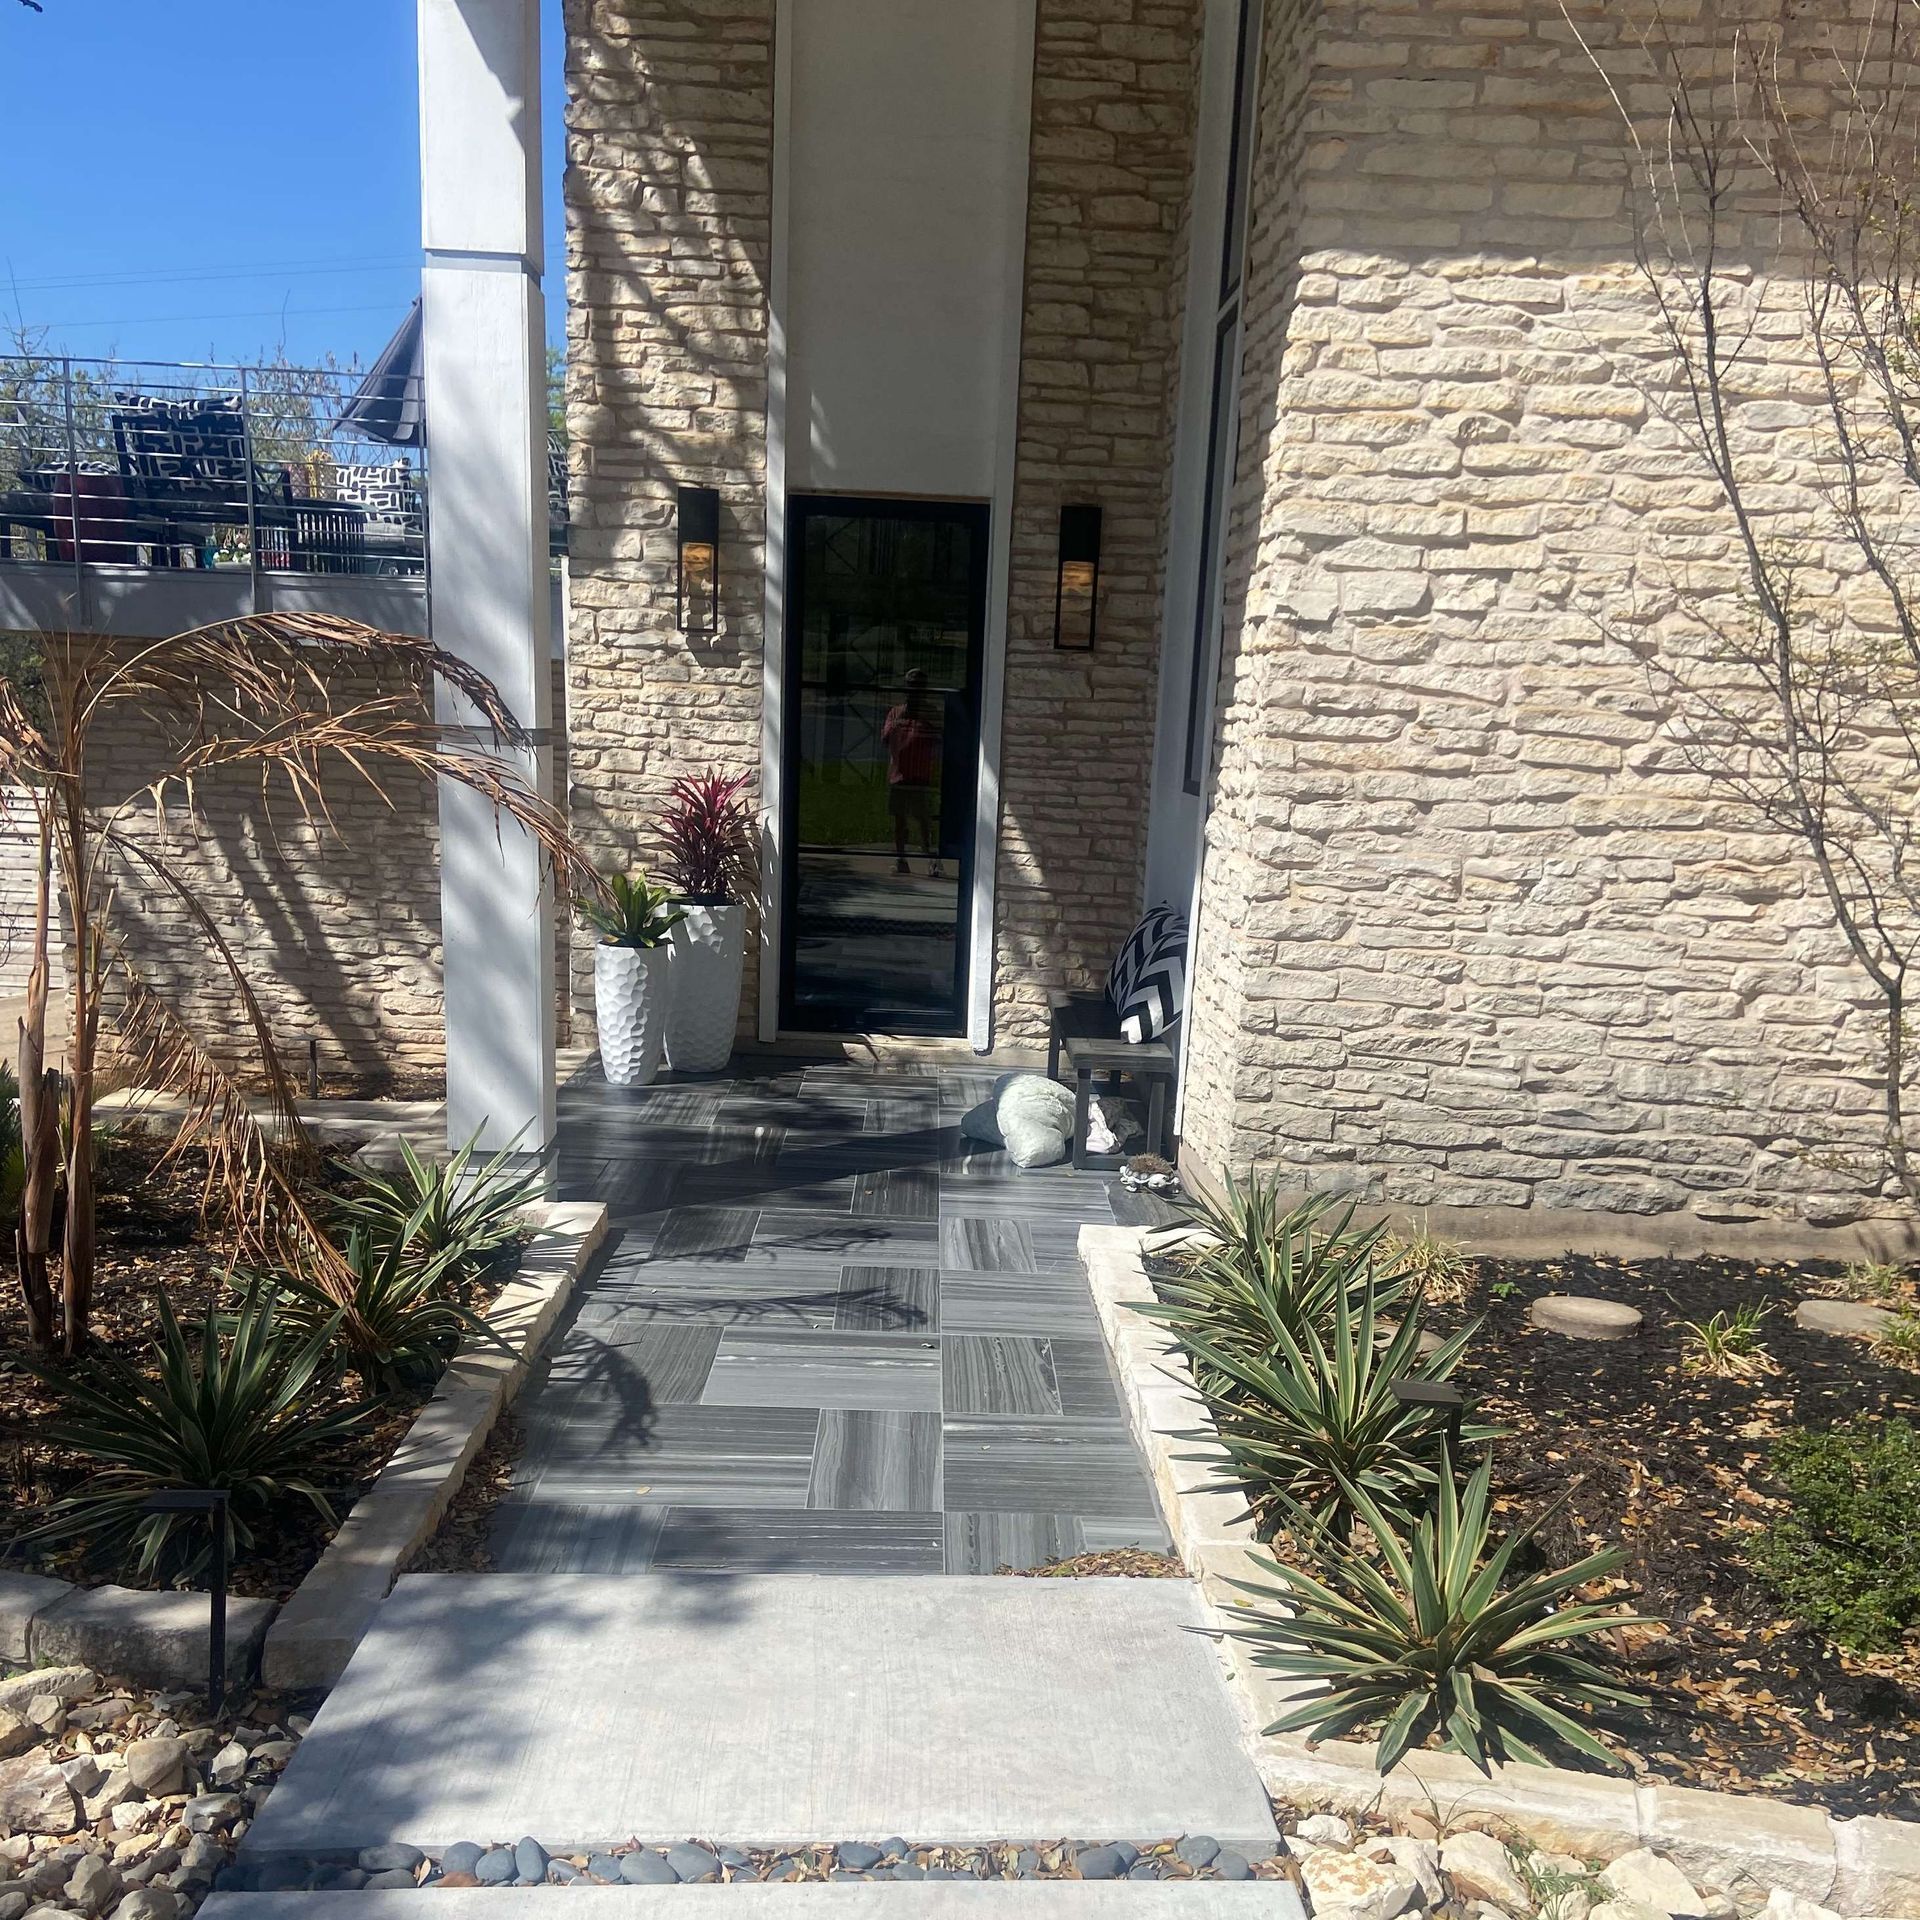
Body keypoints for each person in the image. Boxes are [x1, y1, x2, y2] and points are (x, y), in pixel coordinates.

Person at [882, 668, 943, 877]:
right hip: (899, 776)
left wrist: (925, 719)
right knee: (900, 821)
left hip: (920, 775)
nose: (914, 692)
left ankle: (931, 861)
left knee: (924, 820)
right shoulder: (895, 712)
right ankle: (901, 859)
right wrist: (900, 720)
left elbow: (940, 738)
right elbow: (885, 738)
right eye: (911, 687)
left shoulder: (931, 713)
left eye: (918, 687)